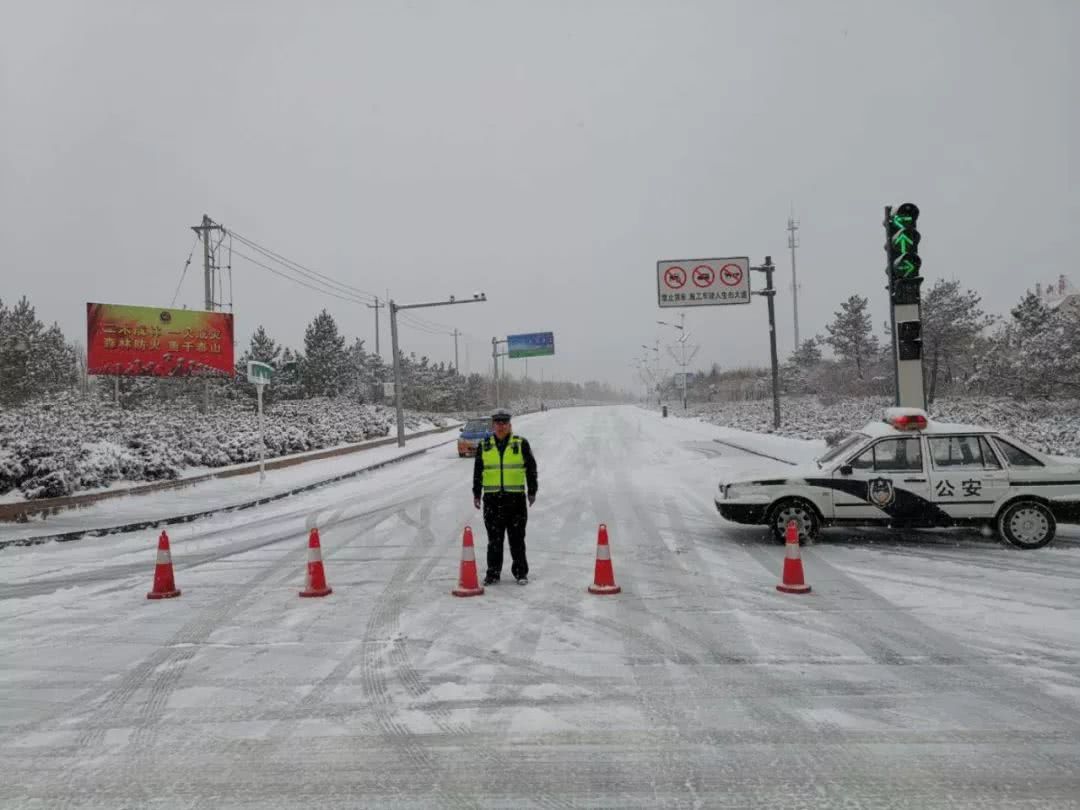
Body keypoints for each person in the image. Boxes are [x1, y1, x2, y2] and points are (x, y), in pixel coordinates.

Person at [472, 409, 538, 585]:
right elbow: (478, 471)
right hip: (492, 501)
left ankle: (520, 572)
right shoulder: (484, 445)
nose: (501, 427)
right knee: (494, 540)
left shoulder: (521, 443)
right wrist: (476, 493)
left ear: (510, 425)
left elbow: (531, 469)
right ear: (493, 425)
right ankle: (493, 573)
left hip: (515, 500)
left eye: (504, 423)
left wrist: (532, 491)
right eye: (497, 423)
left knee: (517, 539)